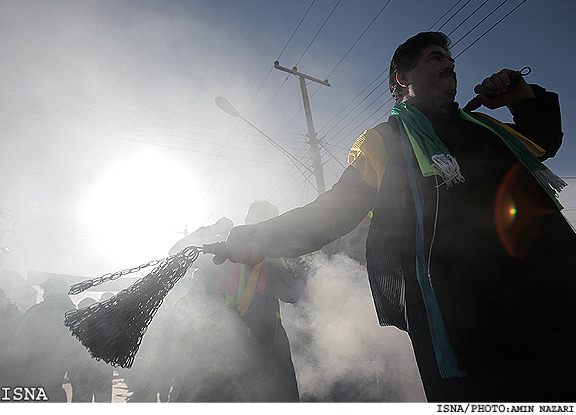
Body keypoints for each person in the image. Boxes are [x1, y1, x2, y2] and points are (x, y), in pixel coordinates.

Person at [211, 32, 576, 402]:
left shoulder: (486, 128)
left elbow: (544, 140)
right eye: (435, 58)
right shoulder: (385, 141)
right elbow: (332, 213)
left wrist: (524, 99)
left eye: (451, 60)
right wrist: (260, 236)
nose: (449, 64)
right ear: (403, 78)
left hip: (550, 301)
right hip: (466, 323)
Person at [171, 201, 304, 402]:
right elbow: (177, 252)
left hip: (262, 351)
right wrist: (213, 230)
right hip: (222, 350)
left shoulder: (275, 259)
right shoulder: (222, 249)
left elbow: (292, 294)